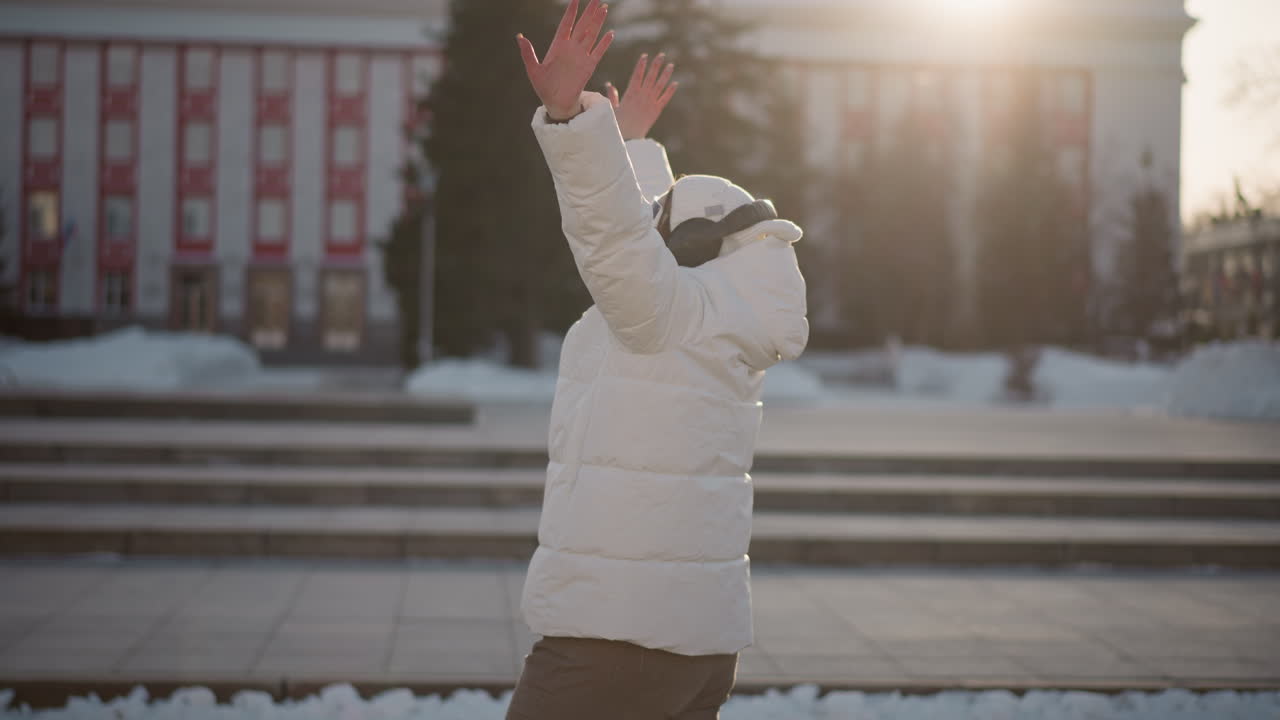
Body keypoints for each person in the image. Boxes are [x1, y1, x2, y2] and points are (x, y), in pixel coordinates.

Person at [507, 2, 808, 718]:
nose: (652, 225)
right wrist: (631, 144)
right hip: (701, 647)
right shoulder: (728, 319)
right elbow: (642, 235)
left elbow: (616, 238)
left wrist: (574, 123)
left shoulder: (668, 317)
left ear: (688, 248)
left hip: (615, 644)